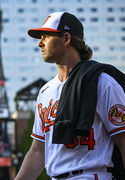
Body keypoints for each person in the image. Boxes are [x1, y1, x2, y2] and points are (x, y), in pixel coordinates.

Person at [14, 12, 125, 180]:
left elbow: (123, 142)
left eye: (46, 36)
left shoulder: (102, 82)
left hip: (91, 175)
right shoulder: (45, 91)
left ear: (66, 39)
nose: (40, 43)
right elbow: (38, 151)